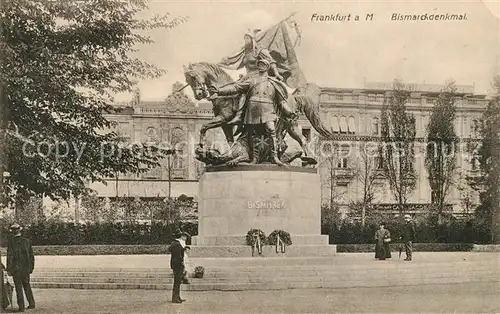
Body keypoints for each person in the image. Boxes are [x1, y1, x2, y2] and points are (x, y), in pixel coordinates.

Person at [209, 58, 297, 166]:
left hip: (268, 110)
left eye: (263, 64)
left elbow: (282, 102)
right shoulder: (252, 81)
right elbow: (236, 88)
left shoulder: (273, 83)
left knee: (271, 131)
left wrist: (289, 112)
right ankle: (255, 159)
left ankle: (274, 157)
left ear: (267, 67)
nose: (260, 66)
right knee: (254, 135)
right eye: (259, 64)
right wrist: (219, 91)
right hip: (253, 111)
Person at [6, 223, 35, 312]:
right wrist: (31, 268)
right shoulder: (27, 241)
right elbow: (31, 256)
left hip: (16, 269)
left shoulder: (11, 242)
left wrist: (9, 269)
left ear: (13, 231)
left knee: (18, 288)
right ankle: (31, 303)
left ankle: (21, 307)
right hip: (25, 268)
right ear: (20, 230)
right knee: (27, 285)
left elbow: (10, 256)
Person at [168, 230, 190, 303]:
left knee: (177, 282)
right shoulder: (177, 244)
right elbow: (179, 256)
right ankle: (175, 298)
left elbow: (170, 250)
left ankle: (177, 297)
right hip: (178, 265)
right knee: (177, 283)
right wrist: (182, 264)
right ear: (179, 236)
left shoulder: (174, 243)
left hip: (175, 265)